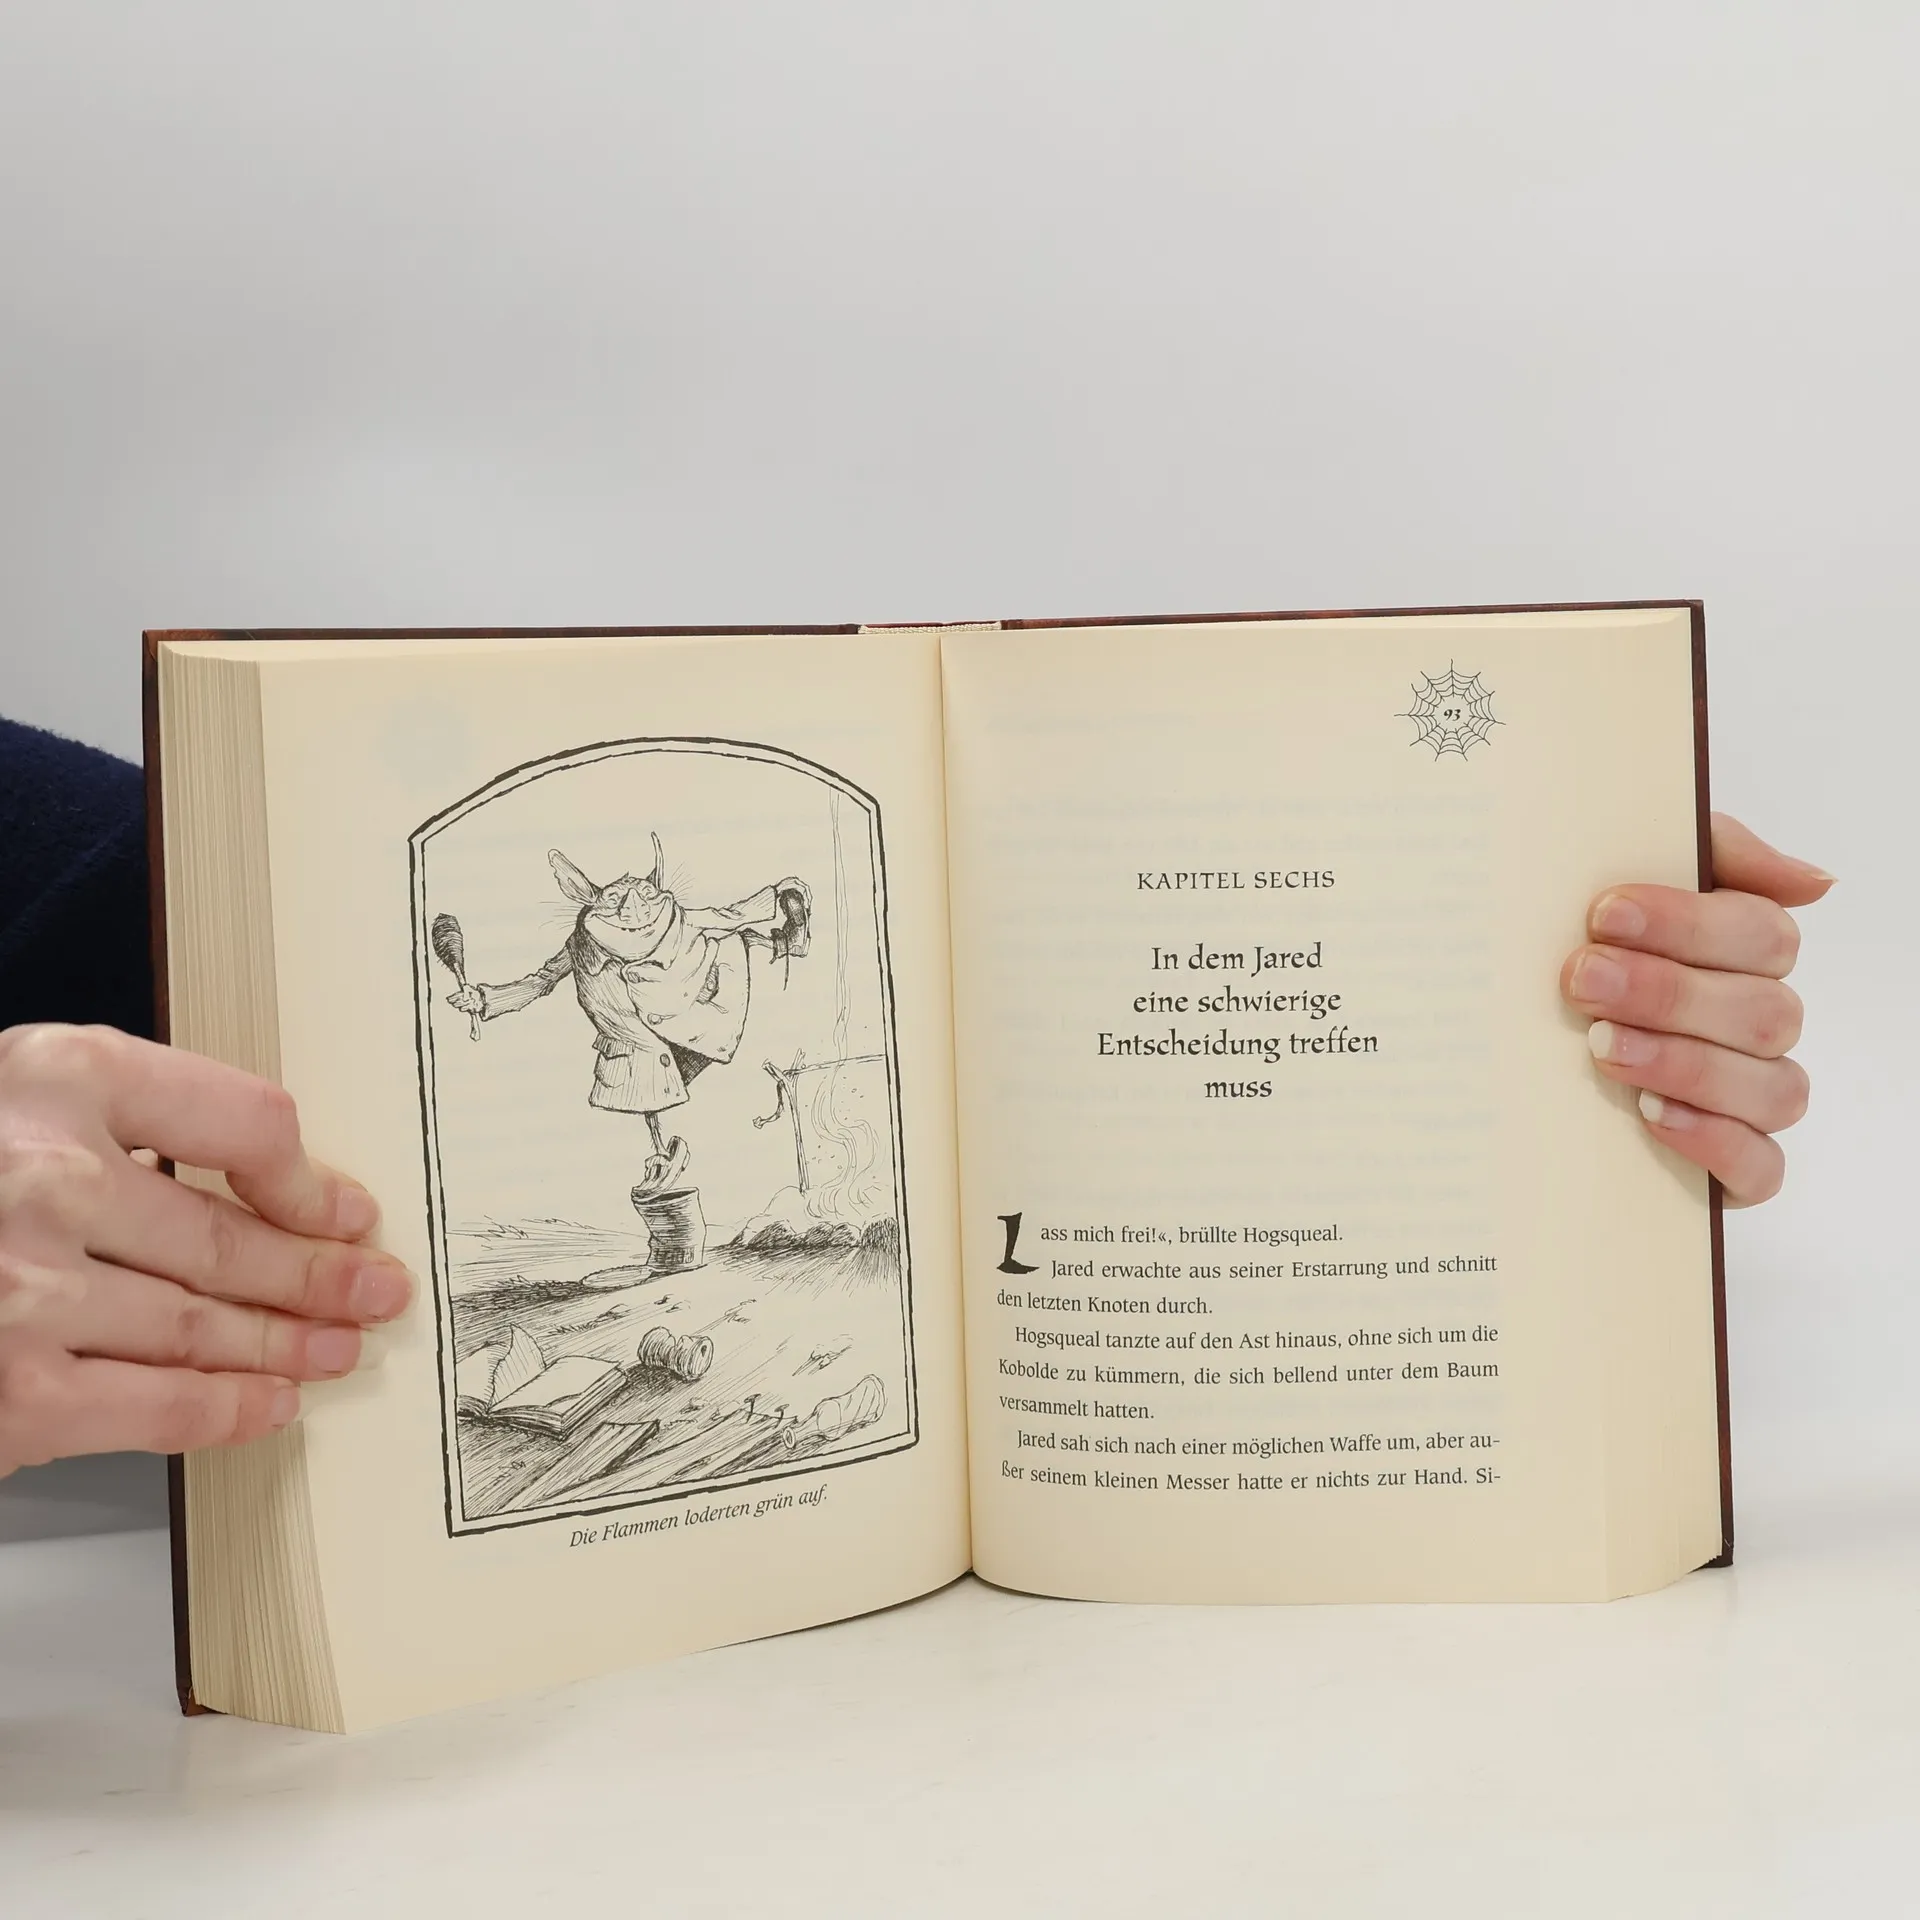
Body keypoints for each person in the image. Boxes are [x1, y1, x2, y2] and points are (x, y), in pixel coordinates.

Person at [0, 717, 1834, 1481]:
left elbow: (95, 904)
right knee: (662, 1153)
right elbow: (514, 982)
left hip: (685, 1057)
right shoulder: (591, 950)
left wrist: (1449, 915)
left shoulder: (675, 926)